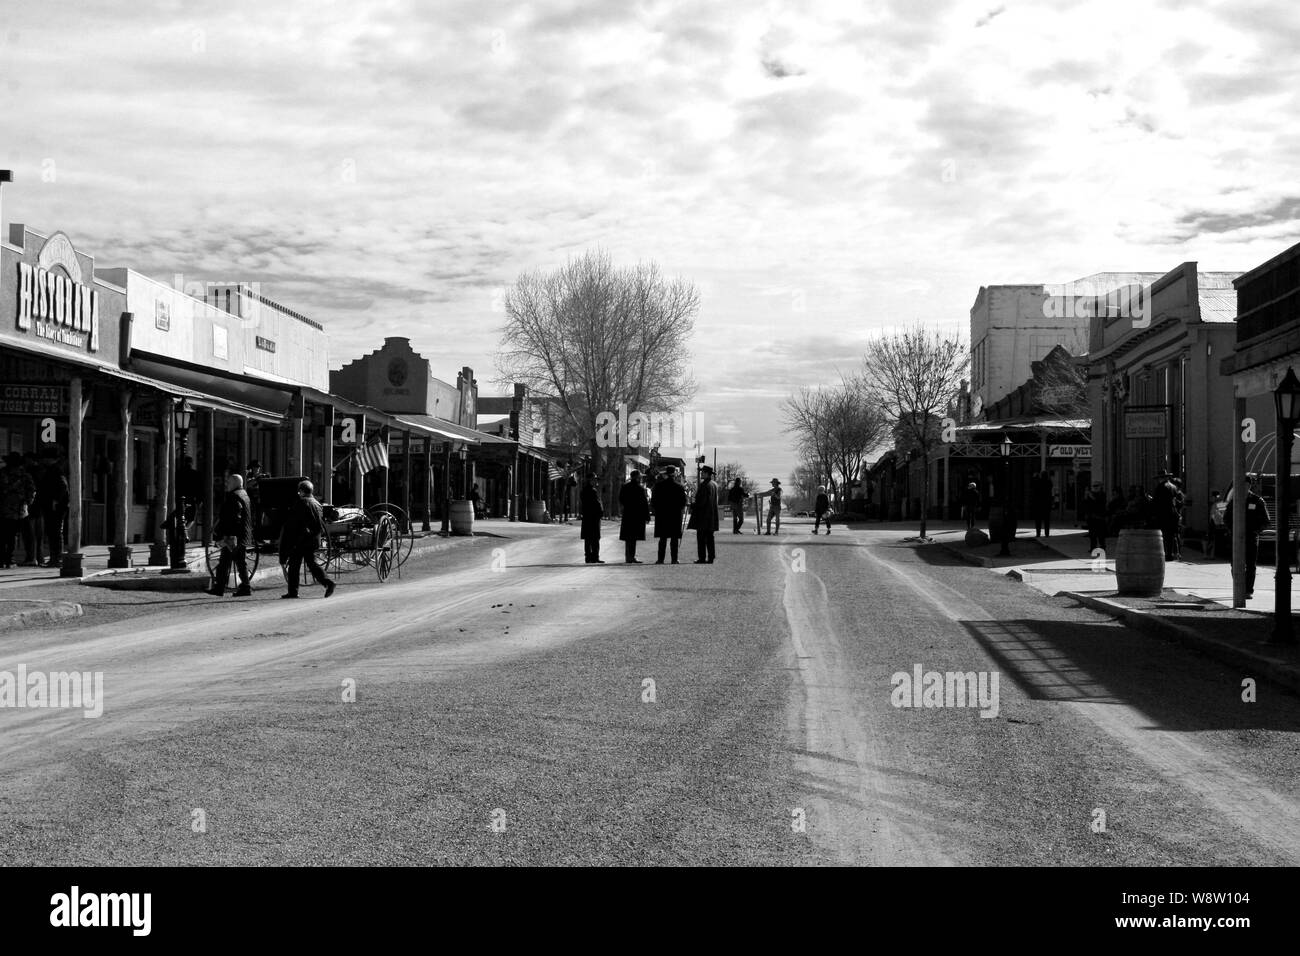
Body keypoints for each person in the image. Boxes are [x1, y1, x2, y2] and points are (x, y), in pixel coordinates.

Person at [278, 479, 335, 599]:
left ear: (301, 491)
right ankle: (327, 582)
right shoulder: (317, 503)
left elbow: (294, 524)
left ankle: (293, 591)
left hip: (301, 539)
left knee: (294, 565)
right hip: (313, 539)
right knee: (312, 563)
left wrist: (288, 543)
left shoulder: (301, 503)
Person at [209, 473, 255, 597]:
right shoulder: (244, 495)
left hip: (233, 535)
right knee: (239, 562)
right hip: (242, 534)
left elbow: (232, 518)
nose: (226, 485)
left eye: (229, 482)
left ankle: (220, 588)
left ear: (235, 484)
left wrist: (223, 535)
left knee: (224, 563)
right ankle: (245, 587)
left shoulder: (233, 497)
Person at [1226, 477, 1270, 599]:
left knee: (1251, 565)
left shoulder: (1257, 501)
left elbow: (1266, 520)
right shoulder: (1234, 500)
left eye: (1246, 485)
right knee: (1235, 564)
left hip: (1251, 538)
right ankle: (1239, 587)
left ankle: (1248, 590)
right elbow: (1226, 518)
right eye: (1241, 485)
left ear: (1250, 486)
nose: (1244, 487)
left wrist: (1255, 531)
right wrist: (1232, 530)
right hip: (1236, 538)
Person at [0, 453, 36, 569]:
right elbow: (32, 491)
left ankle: (6, 558)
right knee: (24, 535)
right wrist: (27, 502)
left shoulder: (2, 473)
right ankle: (20, 558)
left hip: (5, 509)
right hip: (21, 510)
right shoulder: (24, 475)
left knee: (6, 535)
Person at [651, 466, 688, 563]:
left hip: (662, 515)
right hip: (675, 515)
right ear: (674, 475)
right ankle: (674, 559)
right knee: (674, 539)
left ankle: (660, 559)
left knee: (663, 539)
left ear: (666, 474)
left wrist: (657, 510)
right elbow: (683, 502)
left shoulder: (658, 486)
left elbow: (653, 501)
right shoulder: (679, 487)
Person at [39, 455, 69, 568]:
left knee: (55, 532)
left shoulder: (55, 471)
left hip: (55, 508)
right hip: (53, 506)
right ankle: (55, 558)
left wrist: (56, 500)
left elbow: (63, 486)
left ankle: (56, 558)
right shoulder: (54, 470)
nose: (43, 460)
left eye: (45, 458)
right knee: (54, 533)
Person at [689, 464, 720, 563]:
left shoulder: (704, 485)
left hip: (703, 516)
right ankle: (711, 557)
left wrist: (693, 505)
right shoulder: (714, 484)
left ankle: (702, 557)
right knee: (710, 537)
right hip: (712, 515)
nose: (701, 474)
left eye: (703, 472)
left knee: (701, 538)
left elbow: (701, 502)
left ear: (707, 474)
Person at [618, 471, 649, 563]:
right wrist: (647, 516)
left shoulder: (625, 487)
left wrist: (627, 506)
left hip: (628, 514)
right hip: (637, 515)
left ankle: (628, 556)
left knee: (628, 537)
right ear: (637, 478)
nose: (640, 479)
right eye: (639, 477)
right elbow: (644, 503)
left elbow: (621, 499)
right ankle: (631, 556)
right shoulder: (640, 489)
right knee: (634, 537)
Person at [1152, 472, 1180, 561]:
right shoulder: (1174, 487)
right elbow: (1177, 499)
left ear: (1161, 478)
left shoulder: (1160, 487)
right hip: (1173, 512)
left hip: (1163, 513)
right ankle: (1171, 554)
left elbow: (1156, 501)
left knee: (1163, 534)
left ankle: (1164, 553)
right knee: (1171, 535)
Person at [580, 473, 605, 564]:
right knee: (594, 538)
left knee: (588, 539)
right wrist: (600, 512)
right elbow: (595, 504)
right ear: (590, 480)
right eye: (594, 479)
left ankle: (589, 557)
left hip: (588, 517)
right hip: (593, 517)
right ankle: (594, 557)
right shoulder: (591, 491)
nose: (596, 481)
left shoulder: (584, 490)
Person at [1083, 482, 1108, 553]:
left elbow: (1099, 503)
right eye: (1094, 486)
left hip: (1100, 517)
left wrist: (1091, 496)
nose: (1095, 487)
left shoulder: (1102, 494)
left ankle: (1102, 547)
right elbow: (1086, 504)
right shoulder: (1091, 494)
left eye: (1097, 486)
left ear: (1100, 487)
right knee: (1092, 534)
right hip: (1092, 517)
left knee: (1101, 534)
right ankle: (1093, 547)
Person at [1031, 471, 1054, 537]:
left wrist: (1035, 477)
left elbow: (1033, 488)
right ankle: (1047, 533)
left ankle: (1038, 533)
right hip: (1046, 503)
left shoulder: (1038, 482)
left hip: (1039, 504)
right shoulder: (1049, 482)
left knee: (1038, 520)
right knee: (1047, 520)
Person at [1206, 490, 1224, 559]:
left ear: (1214, 496)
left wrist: (1212, 522)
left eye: (1212, 497)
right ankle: (1211, 554)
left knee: (1212, 539)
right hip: (1218, 523)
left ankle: (1211, 555)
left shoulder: (1217, 504)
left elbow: (1216, 515)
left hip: (1215, 524)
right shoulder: (1219, 503)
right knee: (1213, 539)